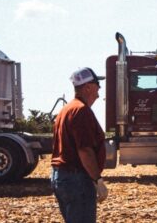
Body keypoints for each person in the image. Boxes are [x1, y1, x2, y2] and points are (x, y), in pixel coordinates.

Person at [51, 67, 108, 223]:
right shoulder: (81, 111)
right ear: (88, 87)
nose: (100, 89)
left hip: (62, 177)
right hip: (76, 179)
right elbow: (84, 150)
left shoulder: (66, 110)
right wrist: (97, 180)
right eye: (97, 84)